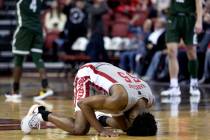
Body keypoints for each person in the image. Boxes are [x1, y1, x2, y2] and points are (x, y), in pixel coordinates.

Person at [21, 62, 157, 136]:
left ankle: (100, 118)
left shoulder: (149, 99)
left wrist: (126, 126)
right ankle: (41, 114)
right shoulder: (118, 100)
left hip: (107, 70)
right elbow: (83, 104)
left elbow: (125, 120)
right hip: (88, 73)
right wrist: (101, 130)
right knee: (80, 129)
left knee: (125, 127)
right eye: (131, 121)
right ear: (132, 116)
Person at [5, 0, 53, 101]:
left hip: (25, 29)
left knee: (18, 60)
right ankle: (46, 88)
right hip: (38, 29)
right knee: (38, 59)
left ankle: (15, 91)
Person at [161, 0, 203, 96]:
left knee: (191, 52)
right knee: (171, 51)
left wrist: (199, 21)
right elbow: (164, 4)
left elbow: (198, 2)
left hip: (189, 18)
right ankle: (174, 85)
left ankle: (194, 83)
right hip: (173, 18)